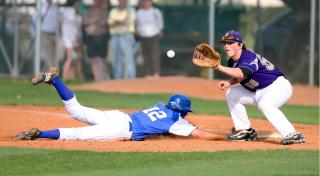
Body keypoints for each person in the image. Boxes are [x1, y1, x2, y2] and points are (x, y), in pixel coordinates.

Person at [15, 68, 223, 141]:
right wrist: (226, 137)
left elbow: (163, 126)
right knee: (77, 134)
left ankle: (54, 79)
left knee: (76, 110)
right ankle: (39, 134)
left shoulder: (161, 105)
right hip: (120, 129)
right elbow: (200, 134)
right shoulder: (176, 122)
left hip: (118, 116)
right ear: (183, 112)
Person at [213, 30, 304, 145]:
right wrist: (229, 83)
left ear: (240, 45)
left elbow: (242, 73)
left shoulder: (248, 56)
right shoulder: (232, 61)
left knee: (265, 104)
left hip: (277, 86)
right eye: (225, 43)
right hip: (258, 91)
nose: (226, 46)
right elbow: (241, 75)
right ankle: (245, 131)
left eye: (230, 43)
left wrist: (218, 67)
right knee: (231, 93)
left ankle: (293, 134)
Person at [108, 0, 136, 79]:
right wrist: (120, 22)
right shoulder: (113, 11)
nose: (122, 2)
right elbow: (111, 24)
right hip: (115, 36)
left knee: (129, 57)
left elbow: (126, 22)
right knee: (116, 58)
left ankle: (131, 77)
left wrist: (116, 22)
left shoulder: (131, 10)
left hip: (127, 35)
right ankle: (117, 77)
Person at [83, 0, 110, 81]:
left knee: (103, 58)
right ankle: (97, 79)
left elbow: (103, 22)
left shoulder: (104, 12)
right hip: (91, 37)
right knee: (93, 58)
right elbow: (84, 22)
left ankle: (106, 77)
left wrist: (92, 21)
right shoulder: (88, 11)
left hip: (101, 37)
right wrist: (95, 21)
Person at [136, 0, 164, 77]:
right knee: (145, 55)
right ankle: (147, 73)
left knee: (154, 54)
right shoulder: (139, 12)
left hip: (154, 35)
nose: (147, 3)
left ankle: (156, 72)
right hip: (143, 36)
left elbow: (160, 23)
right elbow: (138, 24)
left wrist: (159, 32)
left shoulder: (155, 11)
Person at [31, 0, 60, 70]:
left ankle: (47, 75)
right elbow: (35, 20)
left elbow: (58, 20)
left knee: (53, 56)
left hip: (54, 34)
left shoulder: (55, 7)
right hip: (45, 33)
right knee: (48, 56)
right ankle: (53, 75)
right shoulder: (42, 6)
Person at [61, 0, 83, 80]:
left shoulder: (70, 11)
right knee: (70, 58)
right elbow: (70, 28)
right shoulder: (70, 11)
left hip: (71, 38)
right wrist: (73, 40)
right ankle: (65, 76)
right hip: (69, 39)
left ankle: (71, 77)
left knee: (74, 58)